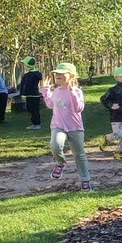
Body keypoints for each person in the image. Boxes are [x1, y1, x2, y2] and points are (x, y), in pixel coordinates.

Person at [43, 61, 92, 191]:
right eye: (56, 74)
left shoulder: (76, 91)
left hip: (75, 127)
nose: (58, 76)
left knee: (79, 155)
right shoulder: (56, 91)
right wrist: (45, 90)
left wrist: (73, 93)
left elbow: (78, 108)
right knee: (55, 146)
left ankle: (85, 180)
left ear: (71, 76)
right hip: (58, 126)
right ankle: (60, 162)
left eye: (61, 73)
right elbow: (50, 104)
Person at [20, 57, 44, 130]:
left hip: (30, 95)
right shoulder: (37, 74)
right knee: (36, 110)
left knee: (31, 110)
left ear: (28, 65)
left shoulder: (28, 75)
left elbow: (27, 85)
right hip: (36, 94)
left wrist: (24, 94)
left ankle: (35, 124)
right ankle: (36, 123)